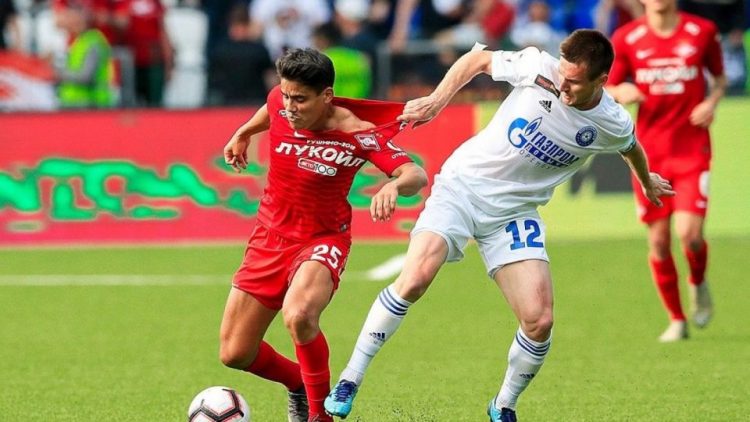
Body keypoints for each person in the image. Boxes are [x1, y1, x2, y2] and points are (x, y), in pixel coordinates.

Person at [324, 29, 674, 421]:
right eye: (562, 74)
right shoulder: (538, 67)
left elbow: (630, 147)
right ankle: (350, 378)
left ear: (601, 80)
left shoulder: (611, 121)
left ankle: (503, 405)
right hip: (461, 189)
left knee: (539, 321)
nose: (563, 85)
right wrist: (436, 102)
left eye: (575, 82)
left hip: (514, 214)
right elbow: (476, 59)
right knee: (415, 278)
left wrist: (647, 181)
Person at [219, 48, 428, 422]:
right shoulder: (280, 102)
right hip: (269, 237)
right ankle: (301, 384)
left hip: (322, 239)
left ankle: (319, 415)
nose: (290, 107)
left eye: (300, 99)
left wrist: (394, 186)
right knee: (235, 352)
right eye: (287, 96)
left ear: (326, 96)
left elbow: (415, 174)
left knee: (299, 315)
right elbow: (270, 108)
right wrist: (244, 132)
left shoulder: (355, 131)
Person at [607, 0, 726, 342]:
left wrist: (711, 103)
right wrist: (620, 91)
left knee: (690, 234)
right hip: (649, 155)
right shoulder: (626, 38)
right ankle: (676, 319)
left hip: (692, 149)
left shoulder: (702, 31)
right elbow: (607, 87)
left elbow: (719, 79)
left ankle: (698, 282)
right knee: (659, 241)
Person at [54, 1, 116, 108]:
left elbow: (85, 76)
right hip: (76, 104)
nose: (69, 22)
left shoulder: (93, 41)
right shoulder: (79, 41)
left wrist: (57, 74)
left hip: (90, 104)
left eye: (72, 18)